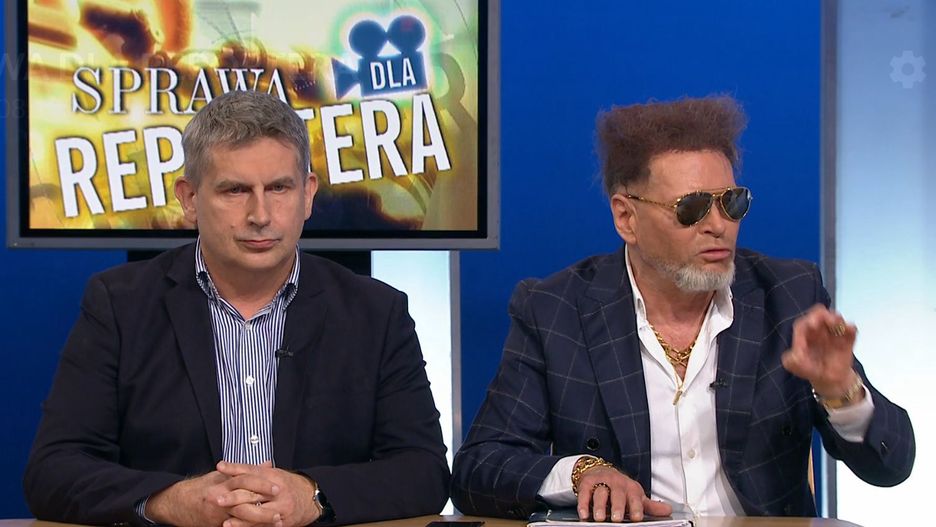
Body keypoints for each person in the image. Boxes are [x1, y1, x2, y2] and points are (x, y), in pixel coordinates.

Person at [451, 96, 914, 522]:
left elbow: (891, 466)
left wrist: (841, 391)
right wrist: (580, 473)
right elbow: (479, 469)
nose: (718, 226)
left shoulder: (789, 296)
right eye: (692, 208)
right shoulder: (557, 311)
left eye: (732, 203)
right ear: (626, 217)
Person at [23, 90, 450, 527]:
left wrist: (313, 495)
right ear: (189, 198)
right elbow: (53, 471)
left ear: (308, 194)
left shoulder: (376, 311)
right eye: (235, 190)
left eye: (279, 188)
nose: (260, 215)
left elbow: (424, 470)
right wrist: (171, 502)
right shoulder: (119, 304)